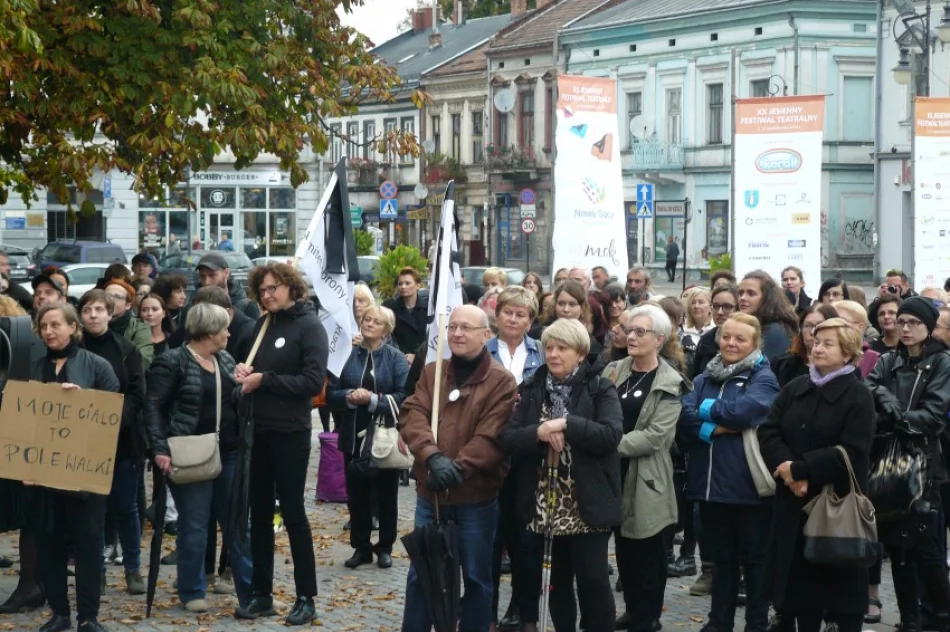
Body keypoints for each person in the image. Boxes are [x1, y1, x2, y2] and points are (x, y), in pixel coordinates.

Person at [499, 317, 622, 632]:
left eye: (562, 348)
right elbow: (508, 438)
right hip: (545, 503)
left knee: (593, 580)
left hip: (587, 503)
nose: (553, 354)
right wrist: (540, 431)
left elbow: (610, 435)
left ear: (580, 353)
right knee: (555, 583)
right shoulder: (532, 387)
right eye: (549, 347)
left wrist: (566, 424)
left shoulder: (600, 387)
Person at [400, 305, 518, 632]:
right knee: (422, 573)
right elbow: (414, 415)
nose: (458, 333)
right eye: (453, 327)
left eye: (467, 327)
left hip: (474, 498)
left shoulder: (501, 381)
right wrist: (432, 457)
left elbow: (492, 435)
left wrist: (458, 467)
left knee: (477, 578)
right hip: (431, 495)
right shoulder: (432, 372)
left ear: (487, 334)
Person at [758, 318, 875, 632]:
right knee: (799, 597)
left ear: (848, 351)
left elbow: (853, 450)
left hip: (836, 508)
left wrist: (801, 469)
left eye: (827, 343)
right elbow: (769, 430)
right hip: (793, 503)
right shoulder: (796, 387)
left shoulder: (857, 394)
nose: (817, 347)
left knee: (838, 597)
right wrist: (788, 471)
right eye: (816, 340)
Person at [234, 263, 327, 625]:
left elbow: (311, 382)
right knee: (259, 514)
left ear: (290, 287)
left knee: (292, 514)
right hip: (259, 431)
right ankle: (262, 594)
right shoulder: (264, 325)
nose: (268, 295)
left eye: (273, 288)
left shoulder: (309, 327)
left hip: (290, 433)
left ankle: (306, 596)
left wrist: (264, 380)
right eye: (263, 291)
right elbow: (250, 369)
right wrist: (244, 374)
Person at [145, 303, 254, 613]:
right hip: (191, 454)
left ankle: (250, 590)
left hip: (229, 451)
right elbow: (153, 407)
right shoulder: (173, 361)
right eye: (223, 328)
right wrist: (159, 449)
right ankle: (191, 589)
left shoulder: (224, 358)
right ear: (208, 332)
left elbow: (235, 399)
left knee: (237, 523)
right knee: (194, 525)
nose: (229, 333)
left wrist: (243, 383)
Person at [679, 313, 780, 632]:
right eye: (726, 337)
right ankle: (718, 621)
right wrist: (714, 430)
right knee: (721, 561)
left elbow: (746, 411)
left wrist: (705, 411)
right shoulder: (702, 378)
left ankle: (756, 623)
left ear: (754, 343)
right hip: (708, 487)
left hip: (747, 487)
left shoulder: (763, 377)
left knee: (754, 561)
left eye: (740, 339)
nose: (731, 343)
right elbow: (683, 419)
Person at [32, 303, 120, 632]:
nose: (50, 331)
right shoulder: (35, 368)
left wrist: (83, 402)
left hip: (85, 473)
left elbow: (116, 416)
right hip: (44, 474)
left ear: (73, 327)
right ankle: (59, 613)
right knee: (49, 544)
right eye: (44, 326)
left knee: (87, 544)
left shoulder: (96, 366)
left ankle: (88, 616)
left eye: (56, 324)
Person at [603, 306, 691, 632]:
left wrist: (605, 441)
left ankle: (648, 616)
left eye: (641, 332)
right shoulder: (614, 370)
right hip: (612, 472)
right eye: (630, 329)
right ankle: (633, 609)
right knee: (623, 548)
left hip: (647, 477)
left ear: (660, 339)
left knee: (647, 552)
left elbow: (655, 437)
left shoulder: (669, 382)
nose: (632, 336)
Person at [865, 297, 950, 632]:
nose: (905, 328)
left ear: (928, 327)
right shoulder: (889, 360)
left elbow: (933, 414)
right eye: (901, 322)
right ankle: (909, 619)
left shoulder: (942, 362)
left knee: (926, 549)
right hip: (889, 464)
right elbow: (869, 387)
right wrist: (888, 403)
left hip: (926, 463)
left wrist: (895, 417)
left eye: (914, 322)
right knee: (897, 547)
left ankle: (942, 618)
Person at [327, 304, 408, 570]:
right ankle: (360, 547)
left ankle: (384, 546)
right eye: (366, 319)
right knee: (357, 493)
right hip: (354, 430)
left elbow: (403, 397)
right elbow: (331, 393)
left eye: (376, 321)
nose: (369, 324)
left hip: (384, 432)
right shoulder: (347, 354)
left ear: (387, 329)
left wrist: (373, 399)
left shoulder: (395, 358)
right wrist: (350, 397)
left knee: (386, 493)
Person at [78, 290, 147, 597]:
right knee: (93, 511)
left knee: (126, 507)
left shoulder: (125, 349)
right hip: (81, 444)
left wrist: (112, 419)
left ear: (110, 313)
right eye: (87, 310)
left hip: (121, 440)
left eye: (98, 309)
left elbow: (136, 394)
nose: (93, 315)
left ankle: (133, 568)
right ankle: (97, 572)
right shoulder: (73, 348)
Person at [487, 287, 544, 631]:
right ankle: (487, 614)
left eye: (521, 314)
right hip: (491, 453)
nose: (513, 319)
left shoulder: (541, 351)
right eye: (508, 312)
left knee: (526, 542)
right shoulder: (483, 350)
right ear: (497, 315)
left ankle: (527, 615)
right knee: (490, 541)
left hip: (528, 457)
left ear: (530, 320)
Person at [738, 270, 798, 364]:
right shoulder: (749, 325)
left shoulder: (775, 330)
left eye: (751, 293)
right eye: (741, 293)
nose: (742, 298)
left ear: (767, 298)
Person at [771, 304, 838, 387]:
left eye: (820, 326)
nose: (813, 332)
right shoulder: (782, 365)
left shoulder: (842, 370)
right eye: (808, 326)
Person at [550, 280, 605, 375]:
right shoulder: (543, 336)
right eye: (561, 304)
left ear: (582, 308)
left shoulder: (591, 347)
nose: (566, 309)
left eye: (572, 304)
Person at [105, 279, 154, 371]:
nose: (110, 300)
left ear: (128, 305)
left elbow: (142, 361)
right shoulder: (92, 324)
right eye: (106, 296)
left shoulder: (139, 328)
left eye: (117, 297)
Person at [692, 285, 739, 378]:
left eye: (727, 307)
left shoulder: (746, 342)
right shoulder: (705, 340)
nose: (720, 312)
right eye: (716, 306)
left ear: (738, 308)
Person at [384, 267, 428, 365]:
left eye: (407, 283)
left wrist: (416, 356)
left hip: (421, 362)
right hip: (395, 361)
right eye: (400, 283)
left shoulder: (429, 309)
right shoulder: (388, 308)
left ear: (418, 285)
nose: (403, 287)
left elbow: (430, 338)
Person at [197, 253, 260, 321]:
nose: (207, 282)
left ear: (226, 273)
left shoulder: (246, 306)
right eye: (202, 276)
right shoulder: (194, 305)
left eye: (212, 275)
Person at [832, 300, 882, 377]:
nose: (835, 326)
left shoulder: (873, 359)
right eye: (832, 321)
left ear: (860, 327)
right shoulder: (824, 352)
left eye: (841, 321)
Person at [138, 293, 170, 357]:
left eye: (155, 309)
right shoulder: (132, 340)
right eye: (144, 310)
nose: (150, 313)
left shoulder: (173, 340)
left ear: (163, 313)